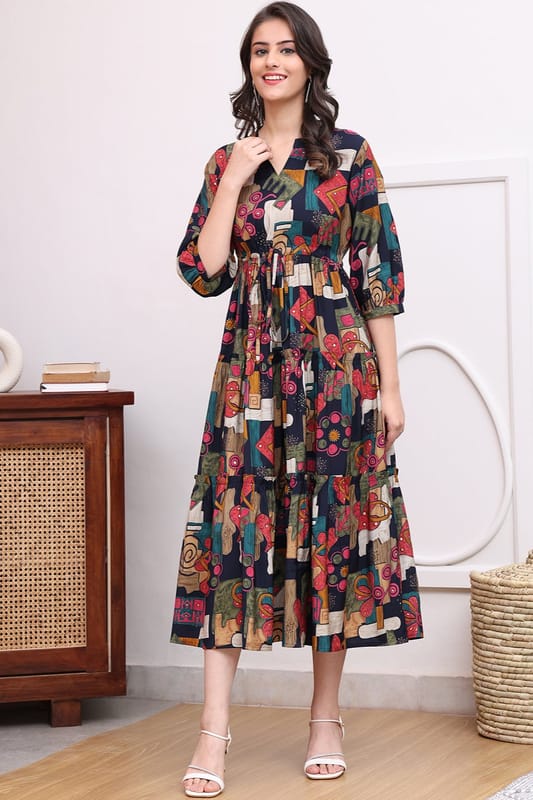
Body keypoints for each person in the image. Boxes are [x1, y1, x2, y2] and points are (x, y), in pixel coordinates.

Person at [172, 2, 423, 796]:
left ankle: (324, 719)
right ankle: (212, 733)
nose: (271, 61)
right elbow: (204, 271)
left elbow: (377, 275)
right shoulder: (228, 160)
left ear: (309, 63)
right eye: (259, 51)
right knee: (232, 531)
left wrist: (390, 388)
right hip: (249, 368)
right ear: (247, 66)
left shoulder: (349, 155)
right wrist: (234, 178)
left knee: (332, 531)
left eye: (285, 49)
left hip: (336, 364)